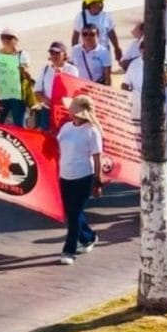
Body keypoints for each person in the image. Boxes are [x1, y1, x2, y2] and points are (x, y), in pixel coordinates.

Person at [55, 96, 103, 266]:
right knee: (71, 212)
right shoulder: (66, 127)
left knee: (74, 213)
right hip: (65, 175)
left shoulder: (92, 131)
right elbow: (56, 145)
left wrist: (97, 181)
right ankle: (88, 237)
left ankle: (69, 250)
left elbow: (97, 157)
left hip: (83, 177)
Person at [32, 41, 80, 130]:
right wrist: (46, 100)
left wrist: (60, 75)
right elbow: (37, 90)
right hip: (47, 111)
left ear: (64, 54)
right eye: (52, 53)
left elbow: (73, 90)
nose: (54, 55)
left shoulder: (72, 70)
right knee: (45, 135)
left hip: (64, 111)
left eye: (57, 53)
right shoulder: (45, 69)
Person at [72, 0, 123, 64]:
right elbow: (75, 36)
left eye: (101, 2)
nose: (101, 4)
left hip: (103, 51)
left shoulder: (106, 16)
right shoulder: (81, 16)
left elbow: (111, 33)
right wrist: (75, 53)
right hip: (86, 52)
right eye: (99, 2)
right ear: (91, 4)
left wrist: (117, 48)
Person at [0, 28, 31, 128]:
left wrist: (22, 69)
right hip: (3, 93)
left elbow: (27, 73)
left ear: (16, 40)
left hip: (17, 94)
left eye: (9, 38)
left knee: (19, 123)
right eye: (3, 38)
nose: (5, 40)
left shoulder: (22, 54)